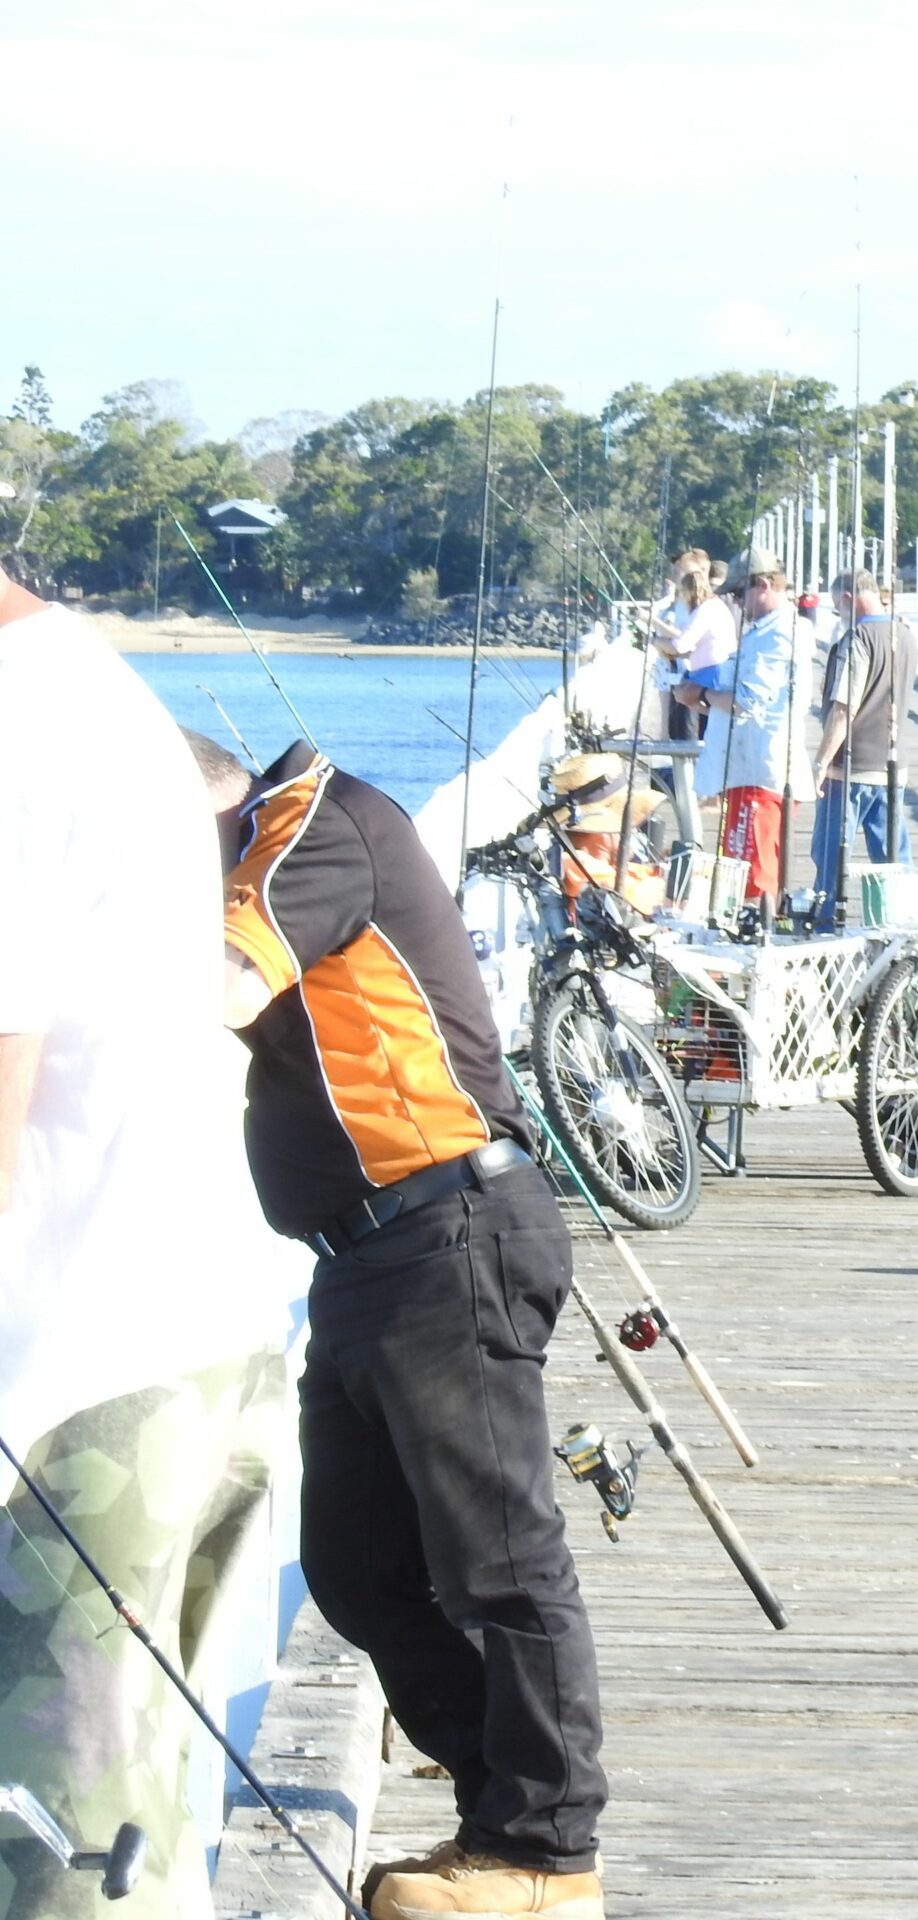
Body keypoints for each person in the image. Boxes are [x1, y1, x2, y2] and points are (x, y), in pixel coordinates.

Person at [199, 728, 608, 1916]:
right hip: (374, 1254)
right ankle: (499, 1819)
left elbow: (220, 984)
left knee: (502, 1562)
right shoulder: (275, 836)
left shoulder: (301, 826)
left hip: (445, 1229)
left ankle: (547, 1855)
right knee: (359, 1566)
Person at [0, 584, 306, 1920]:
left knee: (60, 1868)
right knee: (141, 1846)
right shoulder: (89, 689)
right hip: (195, 1337)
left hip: (84, 1387)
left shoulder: (15, 722)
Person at [685, 546, 809, 906]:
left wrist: (701, 695)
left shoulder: (779, 634)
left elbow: (747, 700)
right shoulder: (763, 632)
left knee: (753, 871)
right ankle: (751, 926)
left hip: (760, 771)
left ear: (766, 585)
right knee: (739, 865)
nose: (737, 602)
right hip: (746, 772)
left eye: (740, 593)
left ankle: (759, 933)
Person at [812, 569, 918, 902]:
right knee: (892, 860)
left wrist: (820, 763)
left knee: (830, 856)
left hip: (850, 769)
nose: (838, 616)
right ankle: (898, 921)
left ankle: (825, 922)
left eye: (836, 608)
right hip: (892, 767)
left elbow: (844, 709)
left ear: (847, 599)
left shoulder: (857, 639)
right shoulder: (905, 635)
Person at [647, 548, 716, 742]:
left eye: (684, 574)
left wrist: (657, 638)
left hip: (694, 680)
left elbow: (684, 643)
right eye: (678, 573)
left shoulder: (704, 607)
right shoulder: (680, 604)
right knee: (675, 734)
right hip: (678, 679)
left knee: (689, 739)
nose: (679, 578)